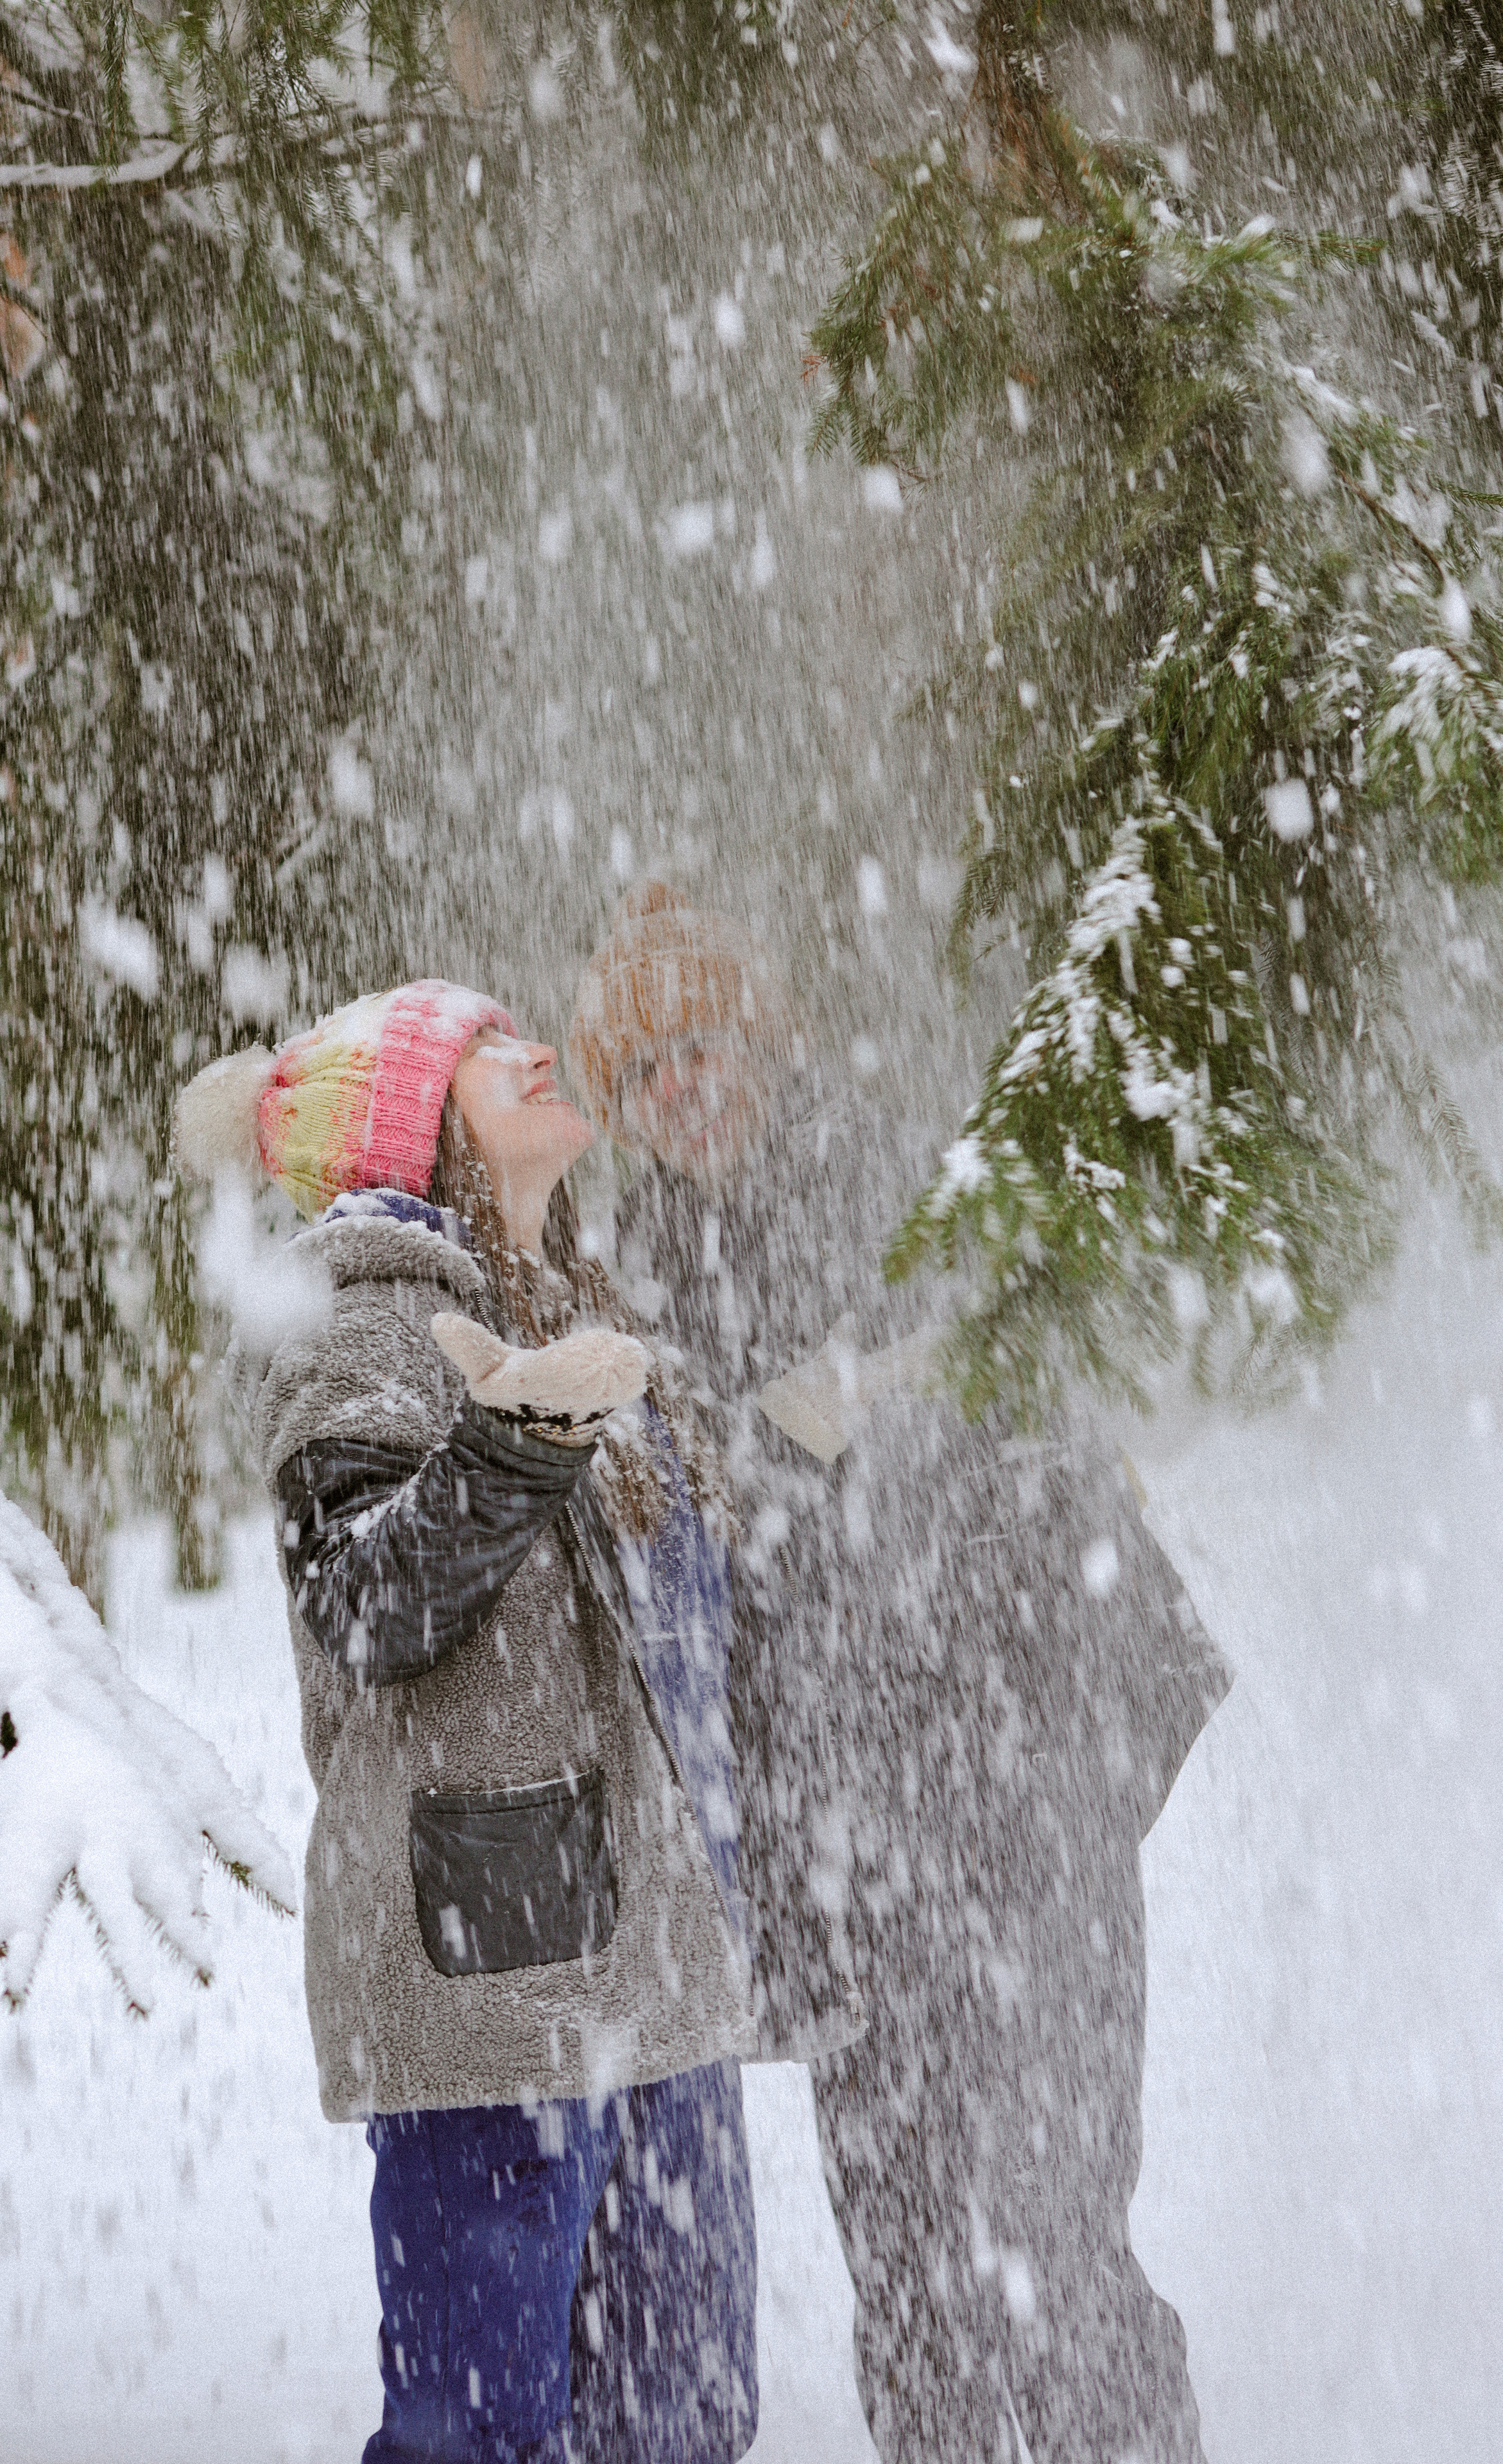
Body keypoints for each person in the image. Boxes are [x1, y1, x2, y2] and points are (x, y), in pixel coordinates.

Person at [569, 886, 1233, 2464]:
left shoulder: (896, 1181)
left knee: (1052, 2226)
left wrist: (830, 1439)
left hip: (1015, 1781)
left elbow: (991, 1440)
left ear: (768, 1041)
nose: (685, 1089)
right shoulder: (637, 1268)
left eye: (708, 1045)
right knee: (910, 2257)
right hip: (846, 1856)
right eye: (647, 1072)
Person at [173, 980, 759, 2464]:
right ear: (414, 1123)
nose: (541, 1049)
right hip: (490, 1975)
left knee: (678, 2418)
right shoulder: (369, 1316)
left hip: (648, 1977)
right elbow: (368, 1610)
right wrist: (517, 1441)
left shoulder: (568, 1304)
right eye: (488, 1050)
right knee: (479, 2430)